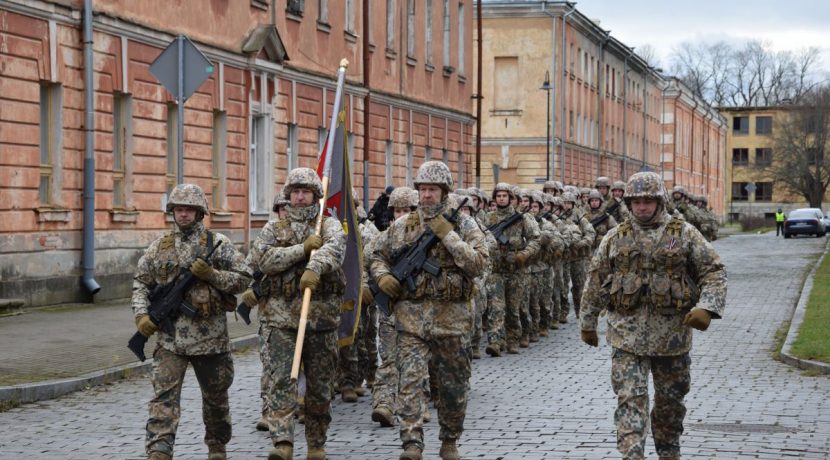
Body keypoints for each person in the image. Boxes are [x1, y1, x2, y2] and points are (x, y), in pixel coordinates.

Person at [579, 171, 727, 460]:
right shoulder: (615, 237)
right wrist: (588, 321)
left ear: (660, 201)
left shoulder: (683, 233)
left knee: (670, 403)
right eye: (637, 202)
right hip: (626, 338)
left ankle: (668, 451)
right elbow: (596, 278)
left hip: (672, 338)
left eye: (648, 201)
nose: (642, 207)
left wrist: (707, 307)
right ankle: (632, 455)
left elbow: (714, 271)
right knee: (629, 400)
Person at [370, 161, 488, 460]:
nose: (426, 196)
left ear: (444, 191)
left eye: (433, 190)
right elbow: (376, 255)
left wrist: (448, 236)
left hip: (452, 319)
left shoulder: (464, 224)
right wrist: (383, 277)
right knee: (409, 382)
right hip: (411, 319)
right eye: (422, 190)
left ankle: (449, 440)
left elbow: (478, 264)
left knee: (452, 385)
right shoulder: (403, 225)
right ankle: (411, 442)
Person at [132, 183, 251, 460]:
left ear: (200, 213)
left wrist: (212, 275)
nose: (183, 215)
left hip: (210, 338)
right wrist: (141, 315)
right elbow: (141, 283)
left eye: (189, 210)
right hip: (169, 340)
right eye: (179, 210)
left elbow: (244, 279)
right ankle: (159, 449)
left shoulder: (217, 244)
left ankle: (217, 445)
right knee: (163, 398)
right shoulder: (159, 248)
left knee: (216, 399)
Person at [245, 167, 346, 460]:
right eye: (296, 192)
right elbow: (264, 259)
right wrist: (302, 250)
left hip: (321, 318)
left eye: (306, 192)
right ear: (288, 195)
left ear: (316, 195)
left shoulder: (327, 225)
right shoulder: (273, 229)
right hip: (279, 318)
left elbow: (336, 249)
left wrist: (316, 266)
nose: (300, 197)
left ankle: (316, 442)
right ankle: (283, 441)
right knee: (281, 381)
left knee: (320, 385)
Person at [371, 186, 419, 427]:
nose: (401, 215)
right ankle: (384, 403)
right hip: (391, 306)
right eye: (397, 211)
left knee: (416, 360)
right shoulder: (385, 236)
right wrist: (382, 278)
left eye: (406, 210)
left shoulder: (426, 236)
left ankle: (418, 401)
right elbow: (373, 259)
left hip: (419, 309)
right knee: (389, 358)